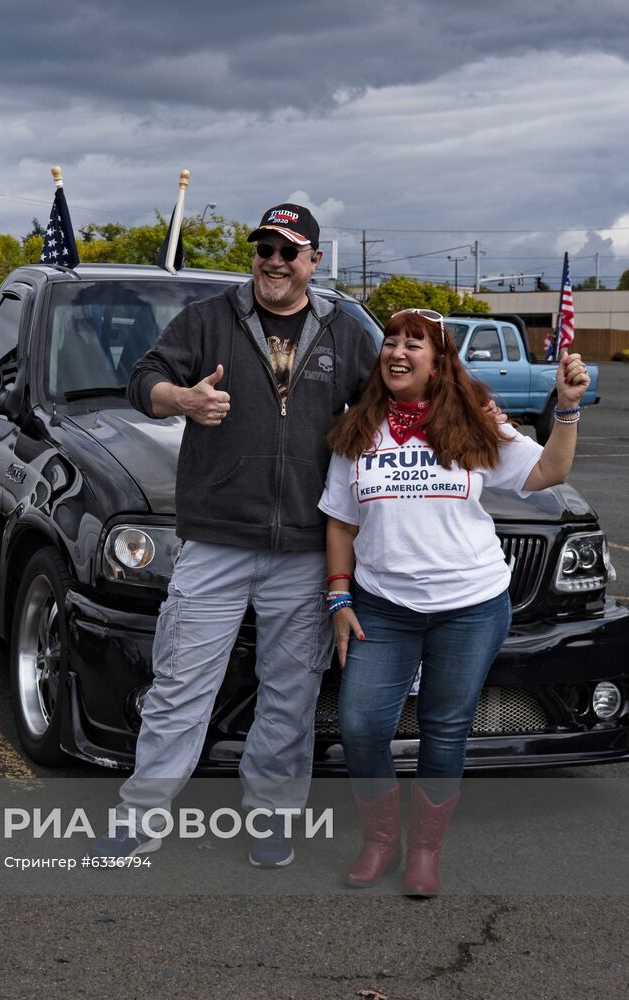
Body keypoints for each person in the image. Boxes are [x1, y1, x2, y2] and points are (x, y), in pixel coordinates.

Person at [90, 204, 379, 865]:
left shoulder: (342, 330)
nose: (273, 261)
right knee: (179, 687)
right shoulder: (209, 320)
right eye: (264, 249)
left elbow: (388, 405)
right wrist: (183, 400)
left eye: (288, 251)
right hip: (216, 542)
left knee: (289, 690)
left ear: (312, 261)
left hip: (305, 550)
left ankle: (272, 817)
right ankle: (140, 818)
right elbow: (142, 381)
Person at [320, 308, 590, 896]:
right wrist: (339, 600)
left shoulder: (474, 426)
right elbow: (340, 523)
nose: (397, 351)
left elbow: (549, 471)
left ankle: (424, 852)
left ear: (440, 361)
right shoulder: (356, 431)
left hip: (471, 604)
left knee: (445, 728)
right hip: (383, 606)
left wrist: (564, 406)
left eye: (414, 344)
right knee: (362, 726)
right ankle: (380, 840)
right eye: (390, 341)